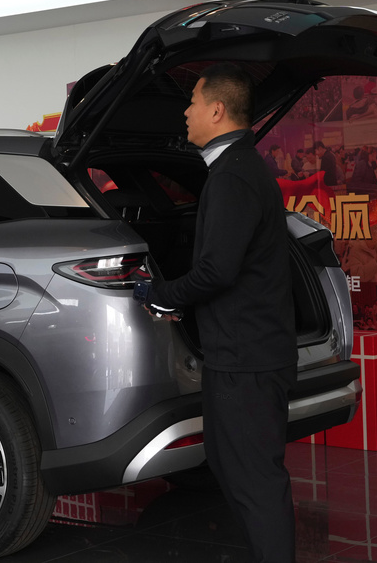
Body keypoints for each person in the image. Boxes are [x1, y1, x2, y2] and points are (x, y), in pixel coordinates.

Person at [139, 63, 298, 563]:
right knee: (237, 472)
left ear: (216, 109)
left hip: (247, 359)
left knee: (253, 480)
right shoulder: (237, 170)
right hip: (244, 353)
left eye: (191, 102)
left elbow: (216, 271)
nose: (185, 112)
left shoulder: (232, 177)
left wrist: (162, 294)